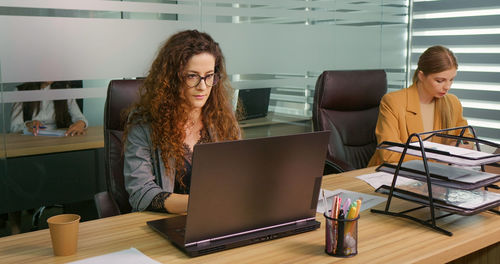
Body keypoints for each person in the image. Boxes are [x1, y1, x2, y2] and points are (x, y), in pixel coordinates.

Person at [123, 30, 241, 214]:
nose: (202, 86)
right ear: (171, 79)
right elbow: (140, 192)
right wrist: (201, 203)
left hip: (215, 218)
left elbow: (237, 177)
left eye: (209, 76)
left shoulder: (222, 118)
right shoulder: (144, 123)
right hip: (162, 222)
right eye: (192, 76)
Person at [368, 45, 471, 167]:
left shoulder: (452, 103)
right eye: (439, 81)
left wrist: (463, 145)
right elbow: (389, 153)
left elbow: (467, 139)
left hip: (435, 174)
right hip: (394, 173)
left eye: (451, 80)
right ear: (421, 76)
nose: (447, 87)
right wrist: (439, 155)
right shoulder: (393, 102)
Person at [10, 81, 88, 136]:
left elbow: (80, 118)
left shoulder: (64, 89)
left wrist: (81, 124)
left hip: (59, 141)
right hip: (31, 142)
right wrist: (28, 125)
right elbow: (14, 128)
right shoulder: (20, 91)